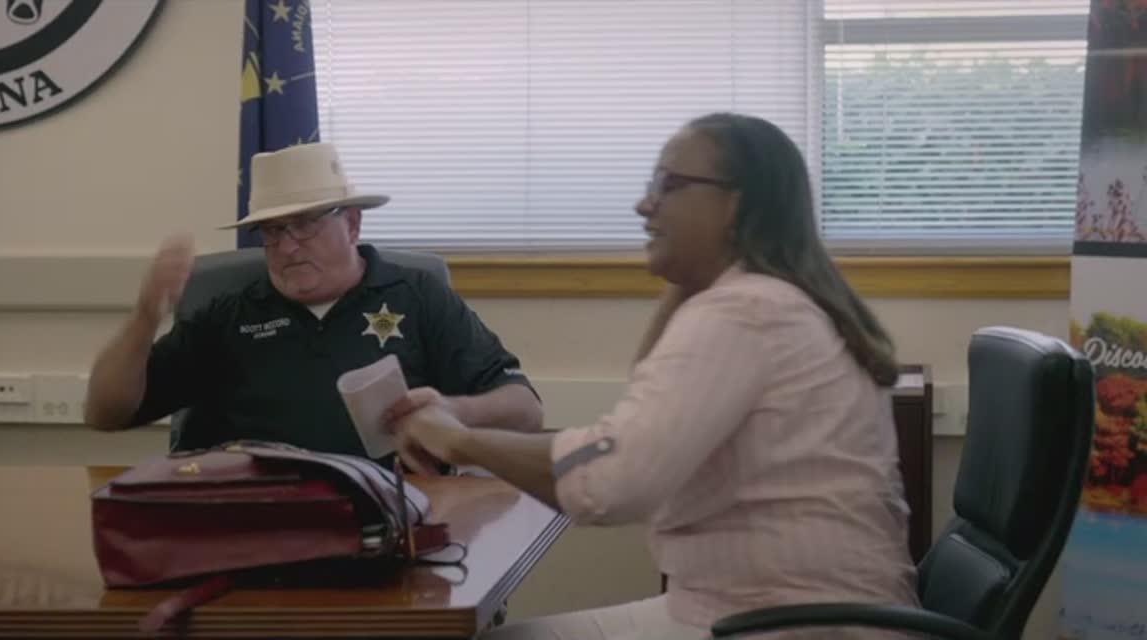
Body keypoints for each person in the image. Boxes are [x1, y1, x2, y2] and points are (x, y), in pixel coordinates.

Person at [384, 113, 920, 639]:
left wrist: (460, 441)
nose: (645, 205)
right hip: (758, 608)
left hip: (794, 623)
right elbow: (630, 426)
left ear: (735, 204)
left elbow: (611, 483)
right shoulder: (760, 301)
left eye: (669, 184)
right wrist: (686, 277)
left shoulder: (744, 313)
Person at [84, 142, 543, 458]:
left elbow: (526, 411)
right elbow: (104, 414)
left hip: (394, 518)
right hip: (254, 527)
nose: (287, 246)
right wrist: (144, 319)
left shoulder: (418, 296)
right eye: (272, 231)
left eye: (305, 225)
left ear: (353, 225)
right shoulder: (229, 315)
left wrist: (455, 412)